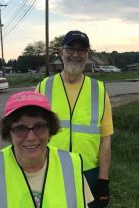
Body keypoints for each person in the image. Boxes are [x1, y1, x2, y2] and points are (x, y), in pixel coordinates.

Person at [0, 91, 94, 208]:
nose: (31, 137)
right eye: (20, 128)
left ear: (50, 129)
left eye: (39, 126)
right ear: (9, 132)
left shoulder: (70, 165)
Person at [37, 30, 113, 207]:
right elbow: (32, 133)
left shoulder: (99, 90)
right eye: (70, 49)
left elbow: (105, 138)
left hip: (89, 174)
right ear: (61, 52)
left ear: (87, 54)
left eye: (82, 50)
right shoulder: (44, 87)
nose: (76, 55)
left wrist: (103, 179)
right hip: (52, 170)